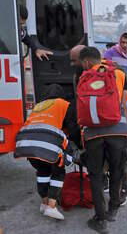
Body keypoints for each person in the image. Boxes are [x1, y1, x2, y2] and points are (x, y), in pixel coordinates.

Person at [78, 47, 127, 233]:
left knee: (96, 175)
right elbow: (125, 102)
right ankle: (113, 208)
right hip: (118, 130)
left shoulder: (83, 77)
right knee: (116, 170)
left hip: (94, 134)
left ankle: (101, 219)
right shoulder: (117, 73)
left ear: (86, 62)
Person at [14, 84, 80, 220]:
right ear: (61, 94)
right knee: (58, 170)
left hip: (26, 141)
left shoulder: (39, 105)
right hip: (46, 139)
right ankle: (51, 206)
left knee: (43, 171)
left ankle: (44, 204)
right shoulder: (64, 104)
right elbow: (72, 127)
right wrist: (78, 144)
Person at [104, 32, 127, 100]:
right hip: (113, 87)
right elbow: (103, 66)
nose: (124, 45)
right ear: (119, 42)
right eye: (123, 42)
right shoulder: (111, 52)